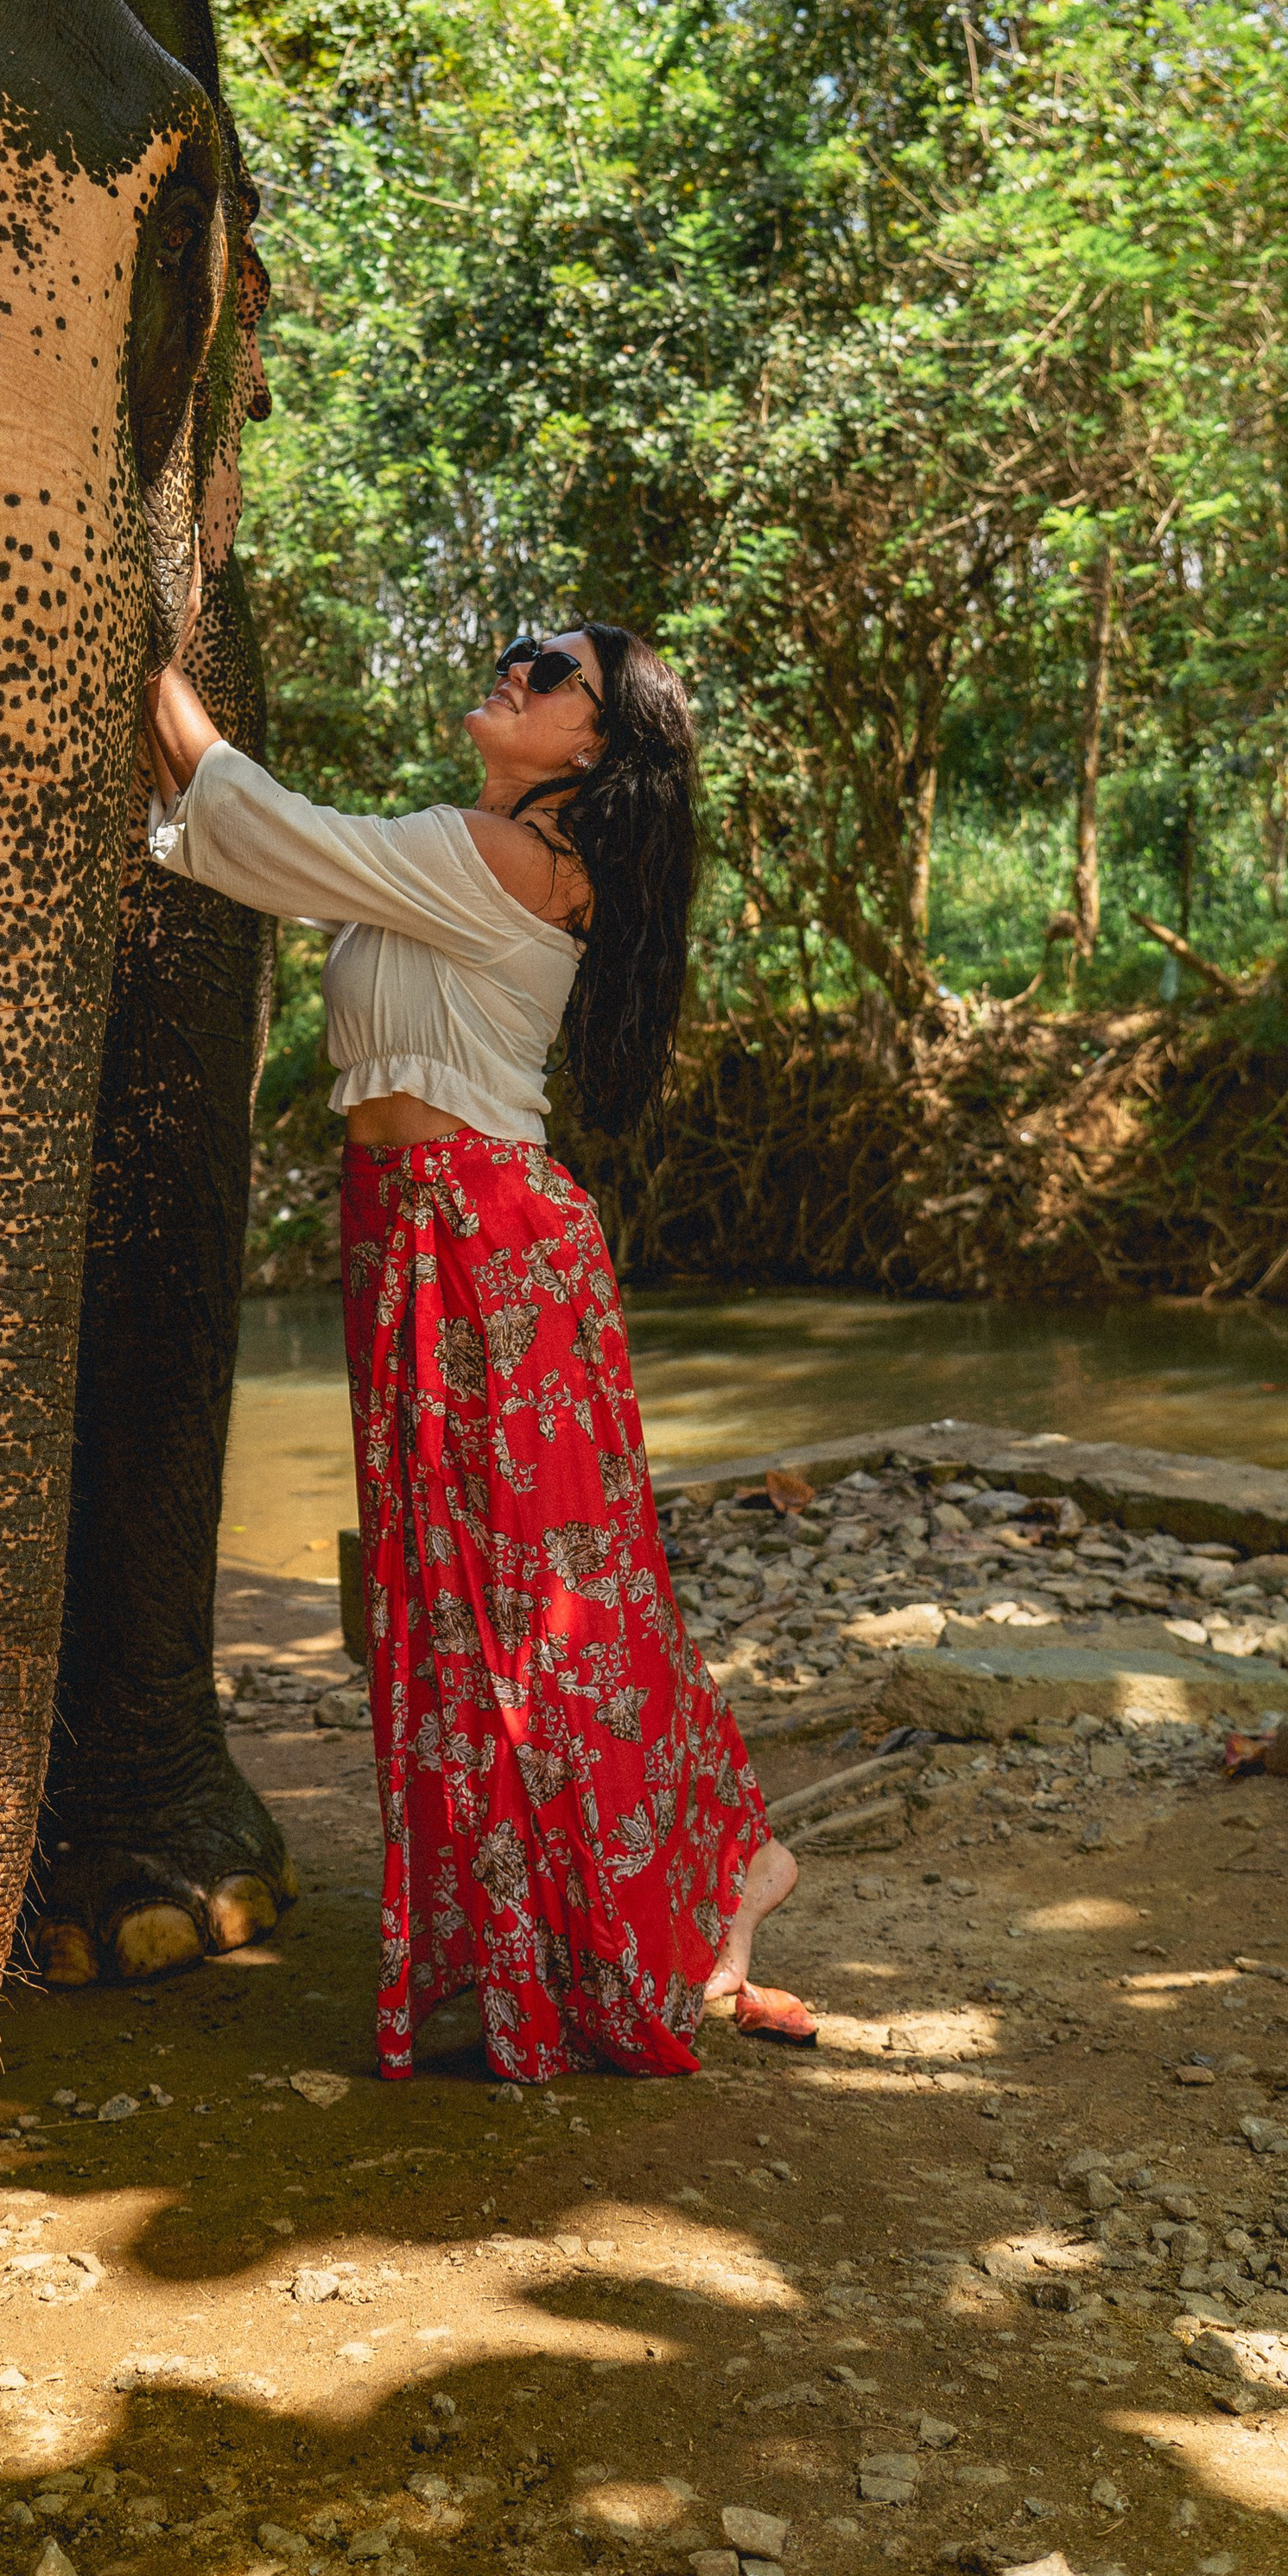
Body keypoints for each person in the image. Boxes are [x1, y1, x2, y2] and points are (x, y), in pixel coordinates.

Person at [145, 620, 813, 2083]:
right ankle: (679, 1879)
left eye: (547, 669)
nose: (513, 669)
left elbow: (263, 832)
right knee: (471, 1609)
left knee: (534, 1608)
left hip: (490, 1252)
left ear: (594, 745)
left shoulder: (504, 858)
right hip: (414, 1241)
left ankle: (712, 1872)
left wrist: (142, 661)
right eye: (516, 651)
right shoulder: (491, 854)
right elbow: (247, 850)